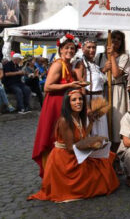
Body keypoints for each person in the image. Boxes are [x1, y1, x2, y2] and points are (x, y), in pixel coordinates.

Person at [28, 89, 119, 202]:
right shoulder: (64, 120)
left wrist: (91, 123)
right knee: (99, 170)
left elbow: (82, 136)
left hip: (77, 153)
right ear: (68, 103)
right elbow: (71, 148)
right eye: (74, 100)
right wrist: (92, 145)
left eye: (80, 99)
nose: (78, 102)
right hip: (66, 159)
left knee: (106, 158)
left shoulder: (78, 117)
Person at [32, 34, 86, 177]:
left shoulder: (68, 64)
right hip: (54, 106)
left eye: (72, 48)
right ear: (60, 50)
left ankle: (61, 172)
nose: (70, 51)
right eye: (67, 48)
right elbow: (47, 87)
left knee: (62, 137)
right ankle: (51, 173)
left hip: (63, 105)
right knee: (52, 137)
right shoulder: (57, 64)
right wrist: (69, 84)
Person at [97, 30, 130, 152]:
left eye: (118, 39)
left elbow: (116, 74)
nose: (115, 40)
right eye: (113, 38)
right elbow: (96, 74)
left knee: (117, 123)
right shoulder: (99, 56)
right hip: (103, 91)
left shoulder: (124, 56)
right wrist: (104, 68)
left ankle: (116, 155)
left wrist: (111, 56)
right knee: (102, 123)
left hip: (118, 92)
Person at [75, 39, 108, 138]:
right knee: (92, 130)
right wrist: (87, 108)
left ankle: (102, 153)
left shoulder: (95, 65)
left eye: (94, 47)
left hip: (99, 100)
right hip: (89, 99)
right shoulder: (80, 64)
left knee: (101, 130)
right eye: (88, 47)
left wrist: (104, 69)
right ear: (83, 48)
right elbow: (81, 85)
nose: (92, 50)